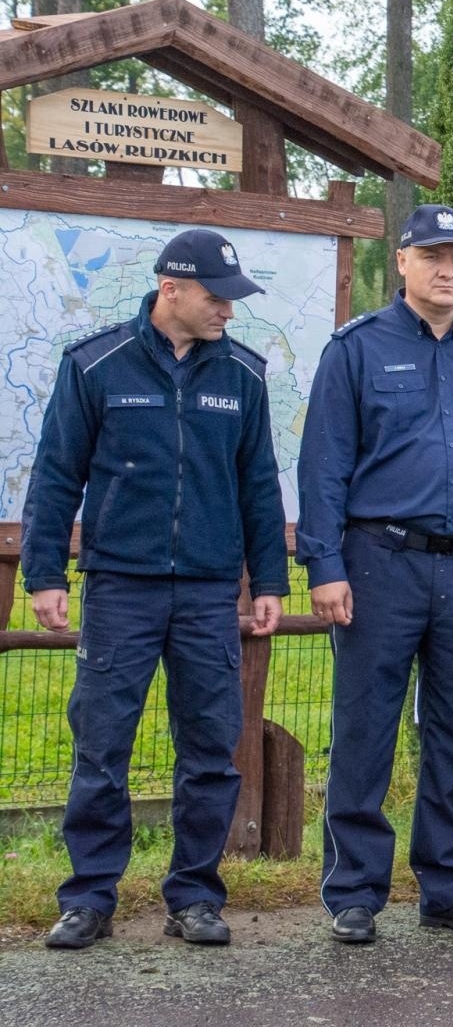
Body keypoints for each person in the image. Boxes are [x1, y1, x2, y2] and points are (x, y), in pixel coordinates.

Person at [21, 229, 288, 949]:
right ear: (171, 288)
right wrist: (44, 574)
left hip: (207, 593)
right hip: (119, 588)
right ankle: (88, 899)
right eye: (216, 297)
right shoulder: (96, 364)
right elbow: (55, 475)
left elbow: (258, 486)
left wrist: (268, 580)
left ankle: (195, 897)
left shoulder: (244, 375)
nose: (228, 312)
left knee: (208, 749)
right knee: (101, 746)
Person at [297, 205, 453, 944]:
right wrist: (324, 564)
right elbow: (324, 466)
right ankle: (354, 891)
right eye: (432, 255)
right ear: (401, 262)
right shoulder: (357, 350)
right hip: (380, 563)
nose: (448, 270)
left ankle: (448, 885)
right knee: (365, 728)